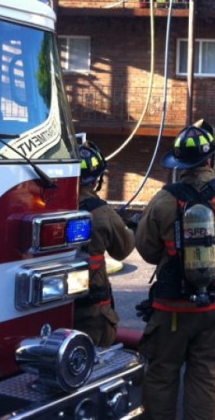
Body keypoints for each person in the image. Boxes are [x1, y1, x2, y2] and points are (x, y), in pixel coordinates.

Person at [135, 123, 215, 420]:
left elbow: (148, 251)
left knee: (162, 373)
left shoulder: (163, 199)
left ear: (180, 165)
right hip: (214, 306)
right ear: (211, 160)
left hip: (170, 308)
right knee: (206, 374)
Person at [74, 141, 136, 347]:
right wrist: (132, 229)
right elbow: (123, 250)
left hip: (53, 305)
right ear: (95, 181)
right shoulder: (101, 212)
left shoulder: (45, 205)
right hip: (92, 310)